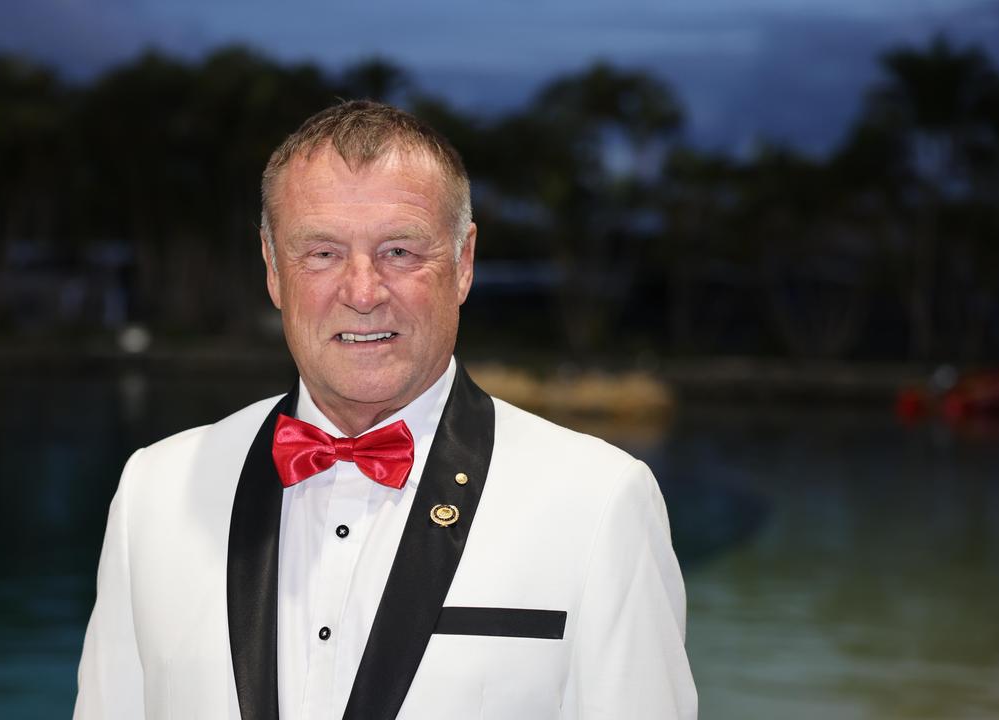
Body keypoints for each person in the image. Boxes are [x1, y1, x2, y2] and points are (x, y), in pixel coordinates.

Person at [74, 100, 697, 719]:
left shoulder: (600, 502)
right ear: (272, 268)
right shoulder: (153, 492)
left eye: (399, 251)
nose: (363, 292)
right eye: (321, 252)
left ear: (463, 263)